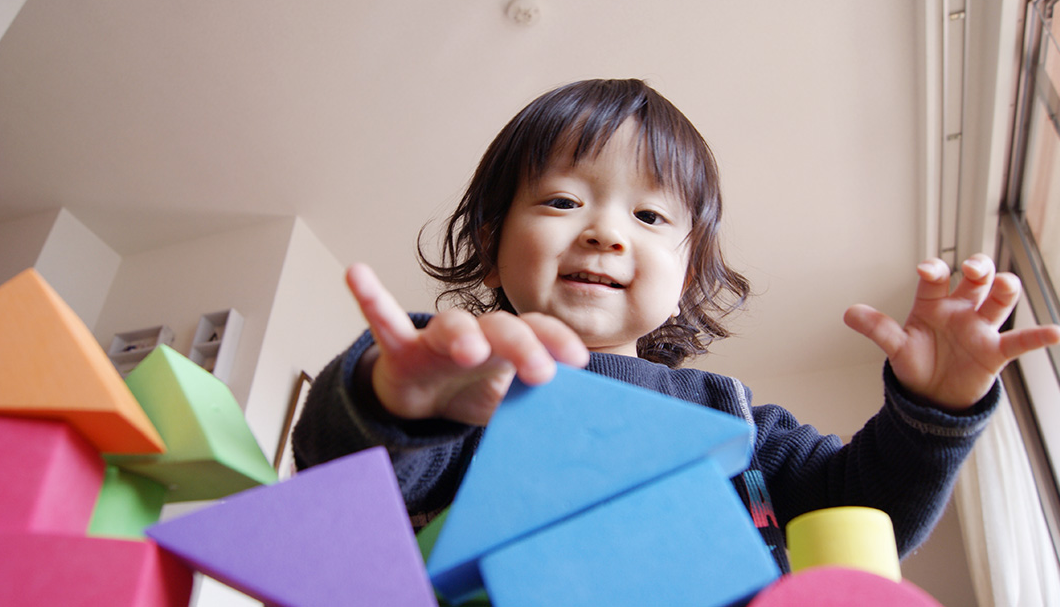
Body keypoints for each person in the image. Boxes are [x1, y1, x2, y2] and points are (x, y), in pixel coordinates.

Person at [292, 78, 1060, 572]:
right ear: (490, 249)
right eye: (562, 201)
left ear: (685, 276)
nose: (605, 232)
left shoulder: (730, 416)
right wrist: (399, 398)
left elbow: (867, 515)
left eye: (650, 214)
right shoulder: (466, 373)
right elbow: (345, 483)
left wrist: (936, 411)